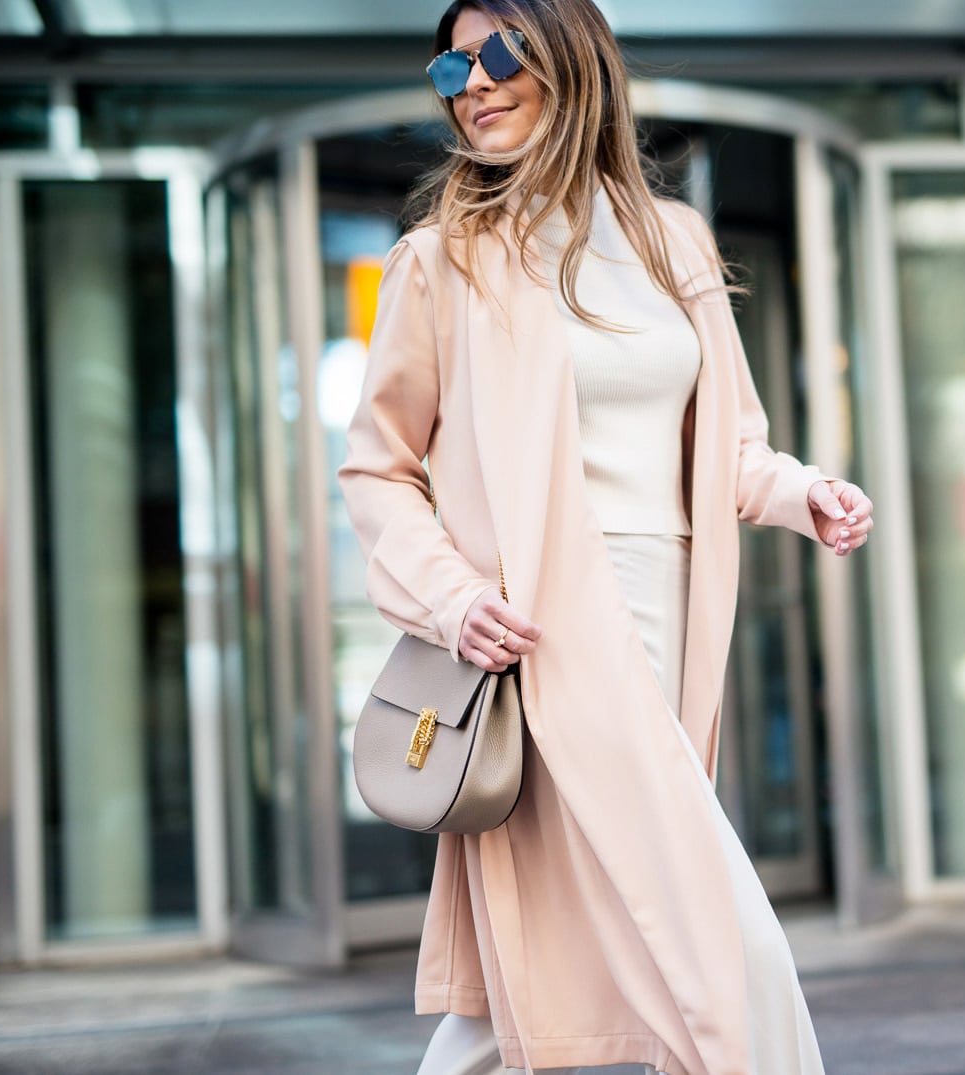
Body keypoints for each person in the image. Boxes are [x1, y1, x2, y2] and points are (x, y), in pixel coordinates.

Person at [335, 1, 875, 1073]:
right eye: (453, 63)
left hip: (670, 623)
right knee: (723, 952)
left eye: (497, 54)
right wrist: (448, 596)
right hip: (549, 634)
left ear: (574, 60)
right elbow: (377, 466)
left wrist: (800, 493)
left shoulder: (670, 239)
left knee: (546, 975)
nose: (473, 82)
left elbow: (724, 445)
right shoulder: (444, 261)